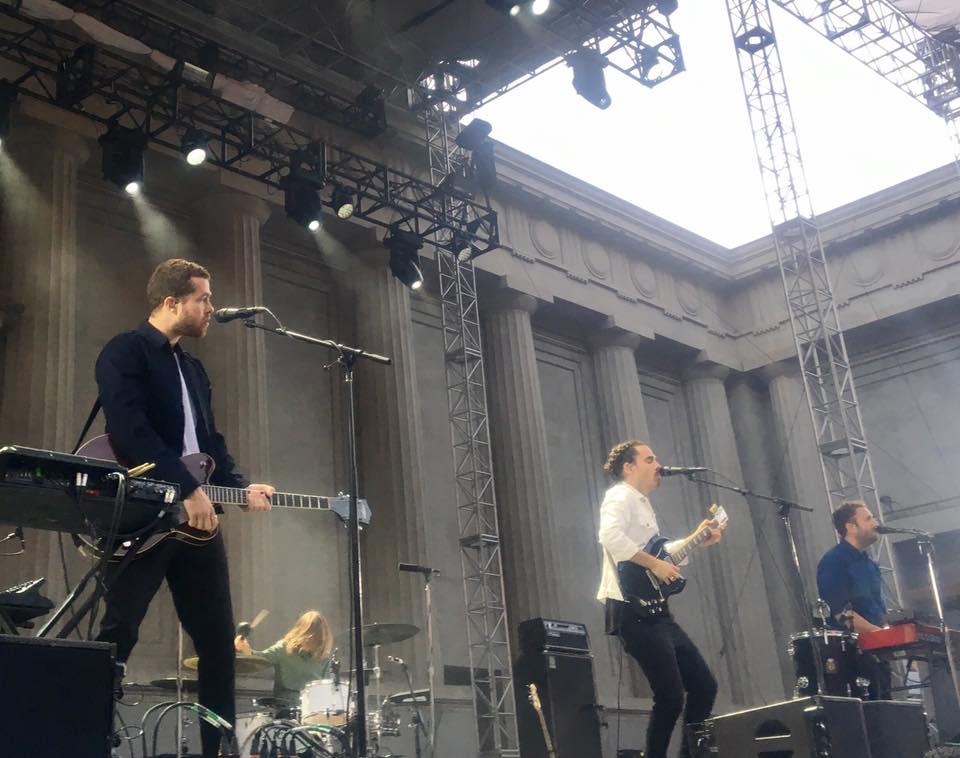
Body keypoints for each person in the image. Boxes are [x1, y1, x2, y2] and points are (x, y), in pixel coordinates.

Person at [94, 258, 275, 758]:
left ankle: (219, 750)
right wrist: (186, 487)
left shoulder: (193, 369)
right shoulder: (125, 351)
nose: (211, 308)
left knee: (218, 645)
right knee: (118, 632)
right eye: (203, 299)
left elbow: (209, 442)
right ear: (172, 302)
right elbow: (130, 431)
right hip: (143, 516)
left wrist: (239, 486)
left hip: (197, 521)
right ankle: (88, 736)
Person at [597, 440, 722, 758]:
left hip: (656, 612)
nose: (659, 465)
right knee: (670, 696)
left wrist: (697, 538)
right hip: (631, 609)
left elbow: (662, 553)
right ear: (629, 467)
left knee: (704, 686)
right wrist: (654, 564)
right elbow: (610, 536)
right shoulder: (620, 496)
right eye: (650, 459)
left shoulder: (643, 504)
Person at [816, 498, 891, 699]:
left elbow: (878, 608)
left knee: (887, 707)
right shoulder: (833, 562)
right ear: (851, 526)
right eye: (868, 518)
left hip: (877, 652)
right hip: (851, 656)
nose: (875, 523)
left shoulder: (870, 564)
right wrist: (879, 634)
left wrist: (888, 632)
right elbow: (840, 613)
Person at [235, 610, 335, 711]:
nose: (317, 640)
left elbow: (327, 690)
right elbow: (260, 659)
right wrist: (245, 650)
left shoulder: (324, 657)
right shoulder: (284, 647)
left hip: (313, 709)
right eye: (315, 636)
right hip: (285, 707)